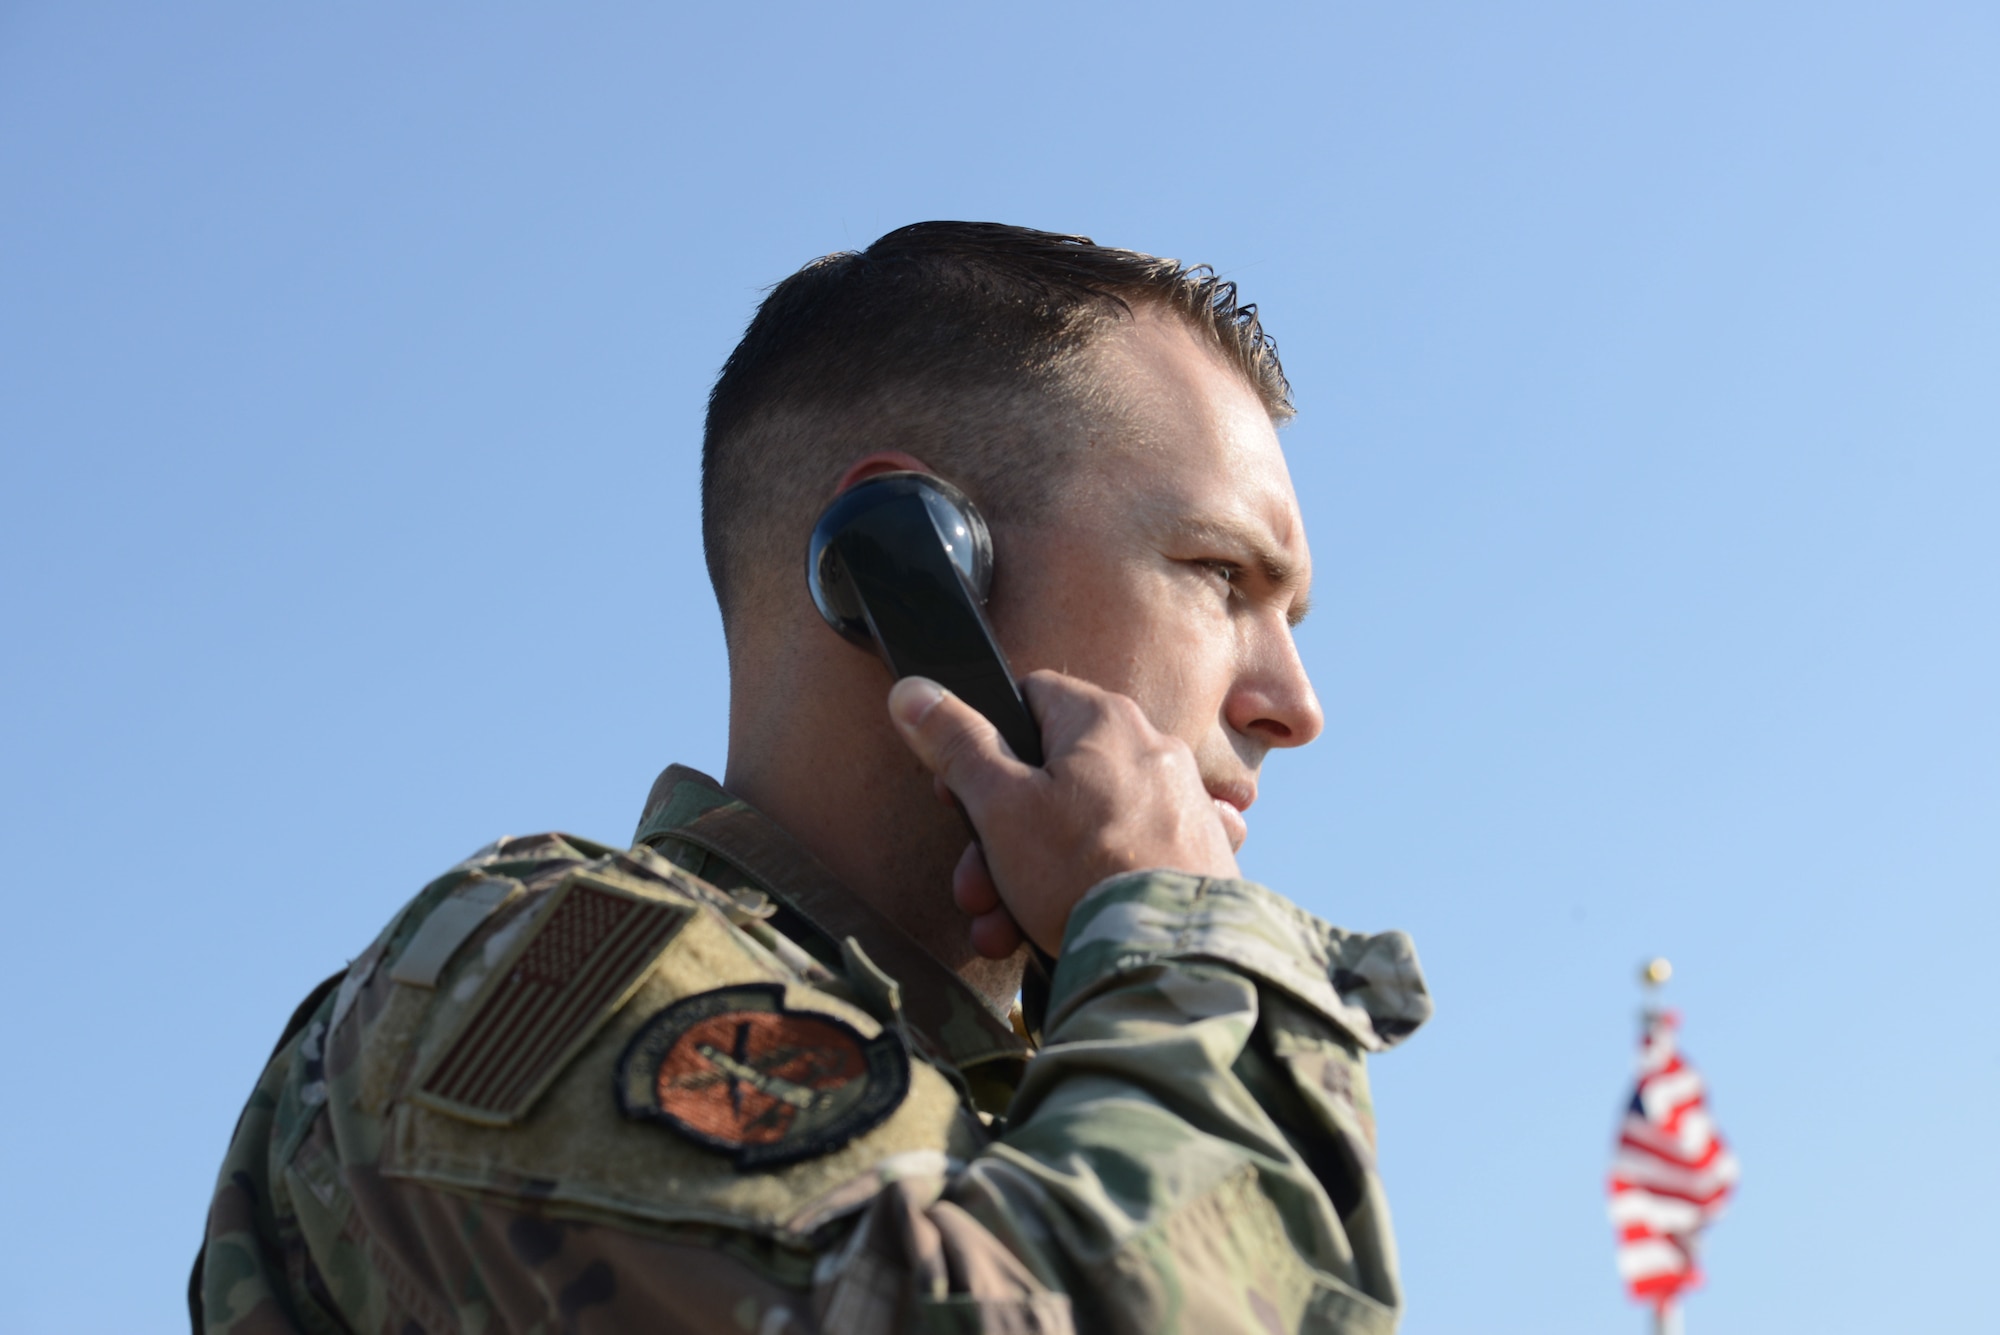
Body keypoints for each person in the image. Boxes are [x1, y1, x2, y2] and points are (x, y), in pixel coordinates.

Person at [195, 222, 1432, 1334]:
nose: (1293, 704)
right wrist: (1187, 957)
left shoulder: (1071, 1086)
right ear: (905, 558)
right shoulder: (525, 975)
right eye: (1222, 577)